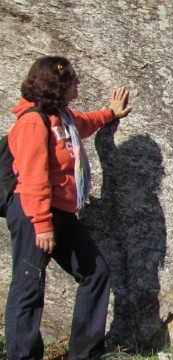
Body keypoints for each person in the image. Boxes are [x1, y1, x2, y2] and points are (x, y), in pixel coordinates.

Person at [4, 56, 132, 360]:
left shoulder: (62, 118)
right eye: (73, 78)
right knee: (28, 284)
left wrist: (110, 114)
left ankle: (84, 354)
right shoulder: (33, 122)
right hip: (33, 212)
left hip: (61, 213)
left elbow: (84, 123)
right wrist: (42, 223)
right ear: (57, 84)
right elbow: (33, 175)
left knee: (95, 272)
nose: (78, 82)